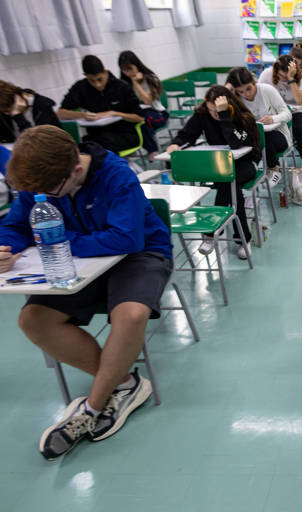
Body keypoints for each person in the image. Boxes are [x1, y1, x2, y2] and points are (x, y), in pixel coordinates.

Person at [0, 125, 172, 459]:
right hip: (80, 263)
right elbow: (16, 224)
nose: (44, 200)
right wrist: (7, 247)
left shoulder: (117, 175)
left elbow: (127, 238)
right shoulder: (44, 181)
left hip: (140, 255)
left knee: (131, 314)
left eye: (52, 192)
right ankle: (124, 383)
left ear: (76, 169)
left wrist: (57, 241)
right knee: (33, 319)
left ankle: (91, 410)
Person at [167, 85, 259, 259]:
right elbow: (187, 134)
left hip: (247, 163)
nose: (214, 115)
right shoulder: (203, 114)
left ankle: (212, 233)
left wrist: (225, 116)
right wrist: (176, 143)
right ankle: (242, 239)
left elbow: (235, 144)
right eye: (211, 111)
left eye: (218, 111)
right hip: (219, 166)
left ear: (229, 106)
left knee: (229, 181)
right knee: (229, 184)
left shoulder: (243, 117)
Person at [58, 55, 144, 153]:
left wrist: (115, 113)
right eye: (92, 81)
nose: (97, 84)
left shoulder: (122, 87)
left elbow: (140, 117)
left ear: (105, 72)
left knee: (101, 147)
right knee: (78, 148)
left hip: (125, 134)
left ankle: (115, 166)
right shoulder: (80, 87)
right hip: (96, 135)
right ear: (85, 75)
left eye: (100, 79)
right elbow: (60, 113)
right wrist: (82, 115)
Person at [226, 66, 291, 188]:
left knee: (265, 136)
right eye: (241, 91)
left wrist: (273, 118)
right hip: (253, 140)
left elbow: (287, 114)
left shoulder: (267, 90)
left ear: (254, 81)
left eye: (248, 88)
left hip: (277, 135)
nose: (246, 94)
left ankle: (274, 169)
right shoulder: (236, 99)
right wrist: (228, 89)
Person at [258, 55, 302, 173]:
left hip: (296, 111)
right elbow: (258, 93)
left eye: (286, 76)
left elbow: (300, 100)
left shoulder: (301, 79)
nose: (283, 79)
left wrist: (291, 79)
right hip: (274, 113)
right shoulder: (266, 74)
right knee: (267, 133)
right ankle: (274, 166)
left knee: (299, 129)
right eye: (280, 76)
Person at [118, 50, 169, 161]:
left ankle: (152, 150)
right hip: (139, 113)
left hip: (158, 114)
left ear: (137, 65)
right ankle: (126, 151)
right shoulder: (123, 83)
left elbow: (147, 101)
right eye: (124, 70)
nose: (127, 73)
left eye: (129, 69)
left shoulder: (150, 78)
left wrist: (135, 82)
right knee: (127, 121)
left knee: (142, 121)